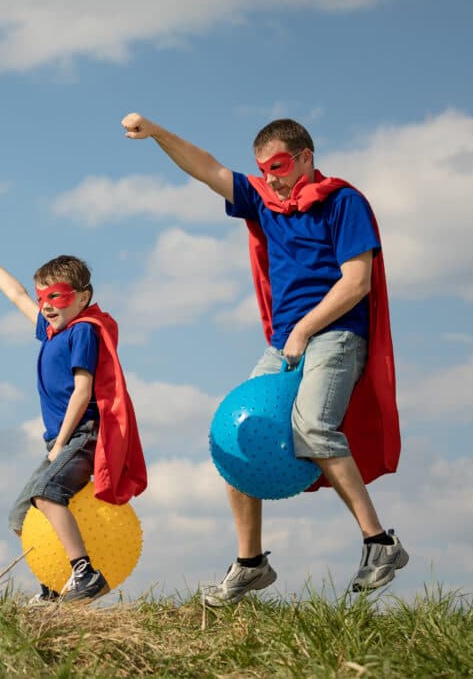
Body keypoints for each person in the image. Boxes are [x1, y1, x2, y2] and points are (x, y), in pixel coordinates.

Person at [120, 113, 408, 606]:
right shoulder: (265, 201)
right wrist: (159, 134)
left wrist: (304, 328)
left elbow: (356, 282)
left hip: (335, 334)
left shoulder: (344, 202)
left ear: (305, 158)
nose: (271, 177)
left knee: (313, 429)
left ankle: (380, 544)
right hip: (284, 343)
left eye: (278, 166)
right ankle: (251, 564)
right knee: (237, 434)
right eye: (264, 169)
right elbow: (207, 169)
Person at [0, 238, 146, 604]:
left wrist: (62, 443)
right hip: (61, 440)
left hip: (82, 435)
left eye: (57, 297)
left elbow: (83, 390)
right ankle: (52, 582)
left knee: (46, 493)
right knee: (20, 517)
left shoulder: (82, 331)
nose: (46, 305)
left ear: (82, 297)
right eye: (42, 297)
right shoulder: (51, 332)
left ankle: (84, 572)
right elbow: (17, 297)